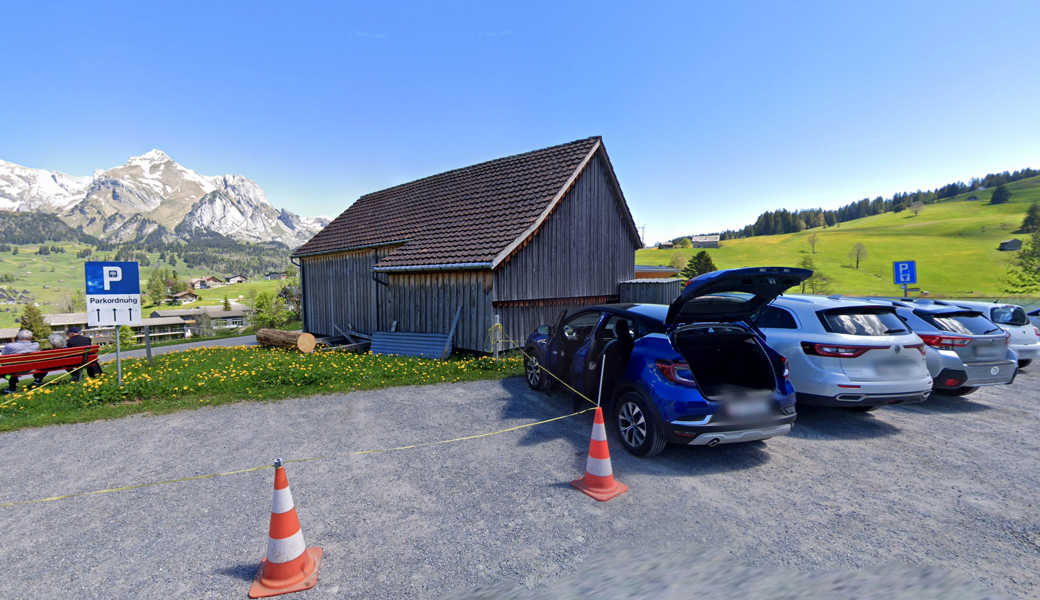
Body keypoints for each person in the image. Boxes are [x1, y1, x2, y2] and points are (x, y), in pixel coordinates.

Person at [2, 329, 42, 394]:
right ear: (31, 337)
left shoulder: (10, 346)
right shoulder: (36, 345)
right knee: (12, 366)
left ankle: (12, 388)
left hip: (13, 370)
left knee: (9, 366)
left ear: (18, 337)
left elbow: (3, 355)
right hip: (30, 369)